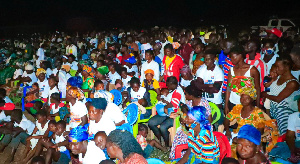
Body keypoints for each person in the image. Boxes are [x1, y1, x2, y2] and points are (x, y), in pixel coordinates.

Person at [261, 56, 300, 135]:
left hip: (285, 114)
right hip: (274, 112)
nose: (276, 68)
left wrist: (265, 94)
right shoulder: (278, 77)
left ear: (286, 67)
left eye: (278, 66)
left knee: (284, 136)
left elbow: (278, 99)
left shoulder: (292, 83)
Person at [148, 76, 185, 147]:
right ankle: (160, 139)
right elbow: (167, 100)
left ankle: (167, 145)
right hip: (166, 113)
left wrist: (165, 107)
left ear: (172, 84)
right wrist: (161, 99)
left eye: (168, 85)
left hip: (175, 114)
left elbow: (174, 104)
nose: (167, 86)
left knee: (163, 127)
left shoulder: (178, 91)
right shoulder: (172, 90)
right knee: (151, 123)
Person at [225, 46, 260, 114]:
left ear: (240, 56)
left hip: (248, 105)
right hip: (233, 103)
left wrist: (258, 105)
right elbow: (228, 88)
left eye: (232, 57)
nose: (231, 59)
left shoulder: (252, 70)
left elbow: (257, 89)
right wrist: (226, 105)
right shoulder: (231, 70)